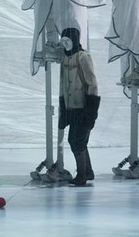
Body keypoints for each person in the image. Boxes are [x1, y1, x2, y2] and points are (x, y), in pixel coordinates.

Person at [57, 28, 100, 186]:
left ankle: (82, 174)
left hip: (84, 107)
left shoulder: (83, 57)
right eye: (63, 41)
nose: (65, 44)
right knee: (74, 140)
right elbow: (62, 84)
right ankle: (87, 171)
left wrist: (91, 110)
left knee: (78, 141)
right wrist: (63, 108)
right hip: (71, 107)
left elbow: (92, 83)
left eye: (67, 40)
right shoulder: (65, 58)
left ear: (74, 40)